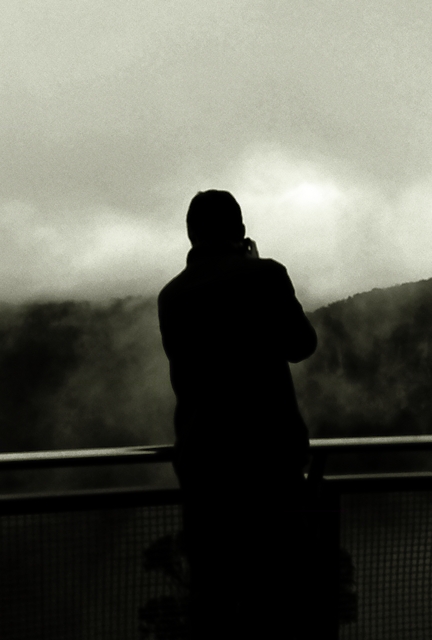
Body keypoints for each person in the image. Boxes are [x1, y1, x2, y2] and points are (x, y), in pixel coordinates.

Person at [157, 190, 319, 638]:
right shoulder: (265, 276)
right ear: (242, 231)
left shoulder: (171, 296)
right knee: (278, 597)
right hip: (268, 465)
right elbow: (301, 345)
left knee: (212, 600)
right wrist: (257, 265)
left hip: (203, 467)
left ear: (190, 235)